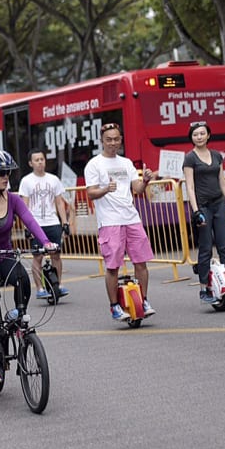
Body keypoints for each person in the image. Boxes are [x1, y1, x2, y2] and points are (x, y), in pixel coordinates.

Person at [0, 148, 57, 386]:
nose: (6, 177)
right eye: (1, 173)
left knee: (23, 281)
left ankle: (15, 316)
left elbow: (30, 220)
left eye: (8, 173)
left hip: (4, 254)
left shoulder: (13, 199)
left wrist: (45, 242)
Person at [84, 122, 157, 322]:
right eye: (109, 139)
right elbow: (90, 193)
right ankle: (114, 305)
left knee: (140, 262)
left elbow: (138, 189)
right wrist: (106, 189)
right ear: (102, 141)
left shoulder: (126, 163)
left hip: (131, 218)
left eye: (116, 139)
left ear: (120, 140)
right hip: (109, 222)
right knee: (113, 266)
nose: (113, 143)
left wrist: (147, 180)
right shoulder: (94, 164)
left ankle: (144, 299)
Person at [182, 122, 225, 303]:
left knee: (224, 246)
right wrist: (195, 211)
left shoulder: (216, 156)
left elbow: (222, 181)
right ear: (191, 137)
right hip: (203, 206)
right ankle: (204, 288)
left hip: (219, 205)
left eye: (202, 133)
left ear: (208, 135)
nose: (199, 137)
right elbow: (190, 187)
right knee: (206, 247)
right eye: (195, 134)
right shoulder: (190, 158)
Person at [18, 148, 70, 299]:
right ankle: (40, 288)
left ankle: (59, 284)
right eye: (36, 160)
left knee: (56, 255)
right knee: (38, 257)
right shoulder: (26, 181)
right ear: (30, 163)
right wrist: (26, 227)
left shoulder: (53, 179)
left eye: (42, 159)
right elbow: (24, 207)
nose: (40, 162)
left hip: (52, 222)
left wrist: (64, 223)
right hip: (36, 224)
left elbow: (59, 203)